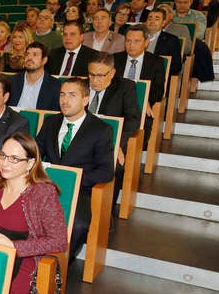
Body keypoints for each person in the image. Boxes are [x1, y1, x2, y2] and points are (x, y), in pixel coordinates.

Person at [0, 132, 67, 294]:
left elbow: (59, 241)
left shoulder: (43, 192)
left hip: (22, 258)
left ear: (30, 163)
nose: (5, 163)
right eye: (3, 155)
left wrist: (14, 246)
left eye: (14, 159)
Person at [35, 78, 114, 261]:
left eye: (72, 95)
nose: (65, 100)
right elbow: (35, 153)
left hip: (80, 190)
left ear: (85, 100)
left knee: (78, 224)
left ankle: (58, 264)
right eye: (62, 95)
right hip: (47, 186)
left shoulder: (100, 129)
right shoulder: (51, 122)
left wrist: (73, 179)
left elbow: (106, 171)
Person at [87, 52, 142, 209]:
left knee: (114, 164)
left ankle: (105, 213)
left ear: (112, 73)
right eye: (91, 74)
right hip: (81, 140)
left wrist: (116, 143)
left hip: (108, 142)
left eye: (100, 75)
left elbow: (133, 120)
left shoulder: (125, 87)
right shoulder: (80, 86)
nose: (94, 80)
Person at [9, 42, 62, 111]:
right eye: (27, 54)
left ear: (44, 60)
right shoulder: (11, 81)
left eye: (35, 54)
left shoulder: (56, 86)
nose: (29, 58)